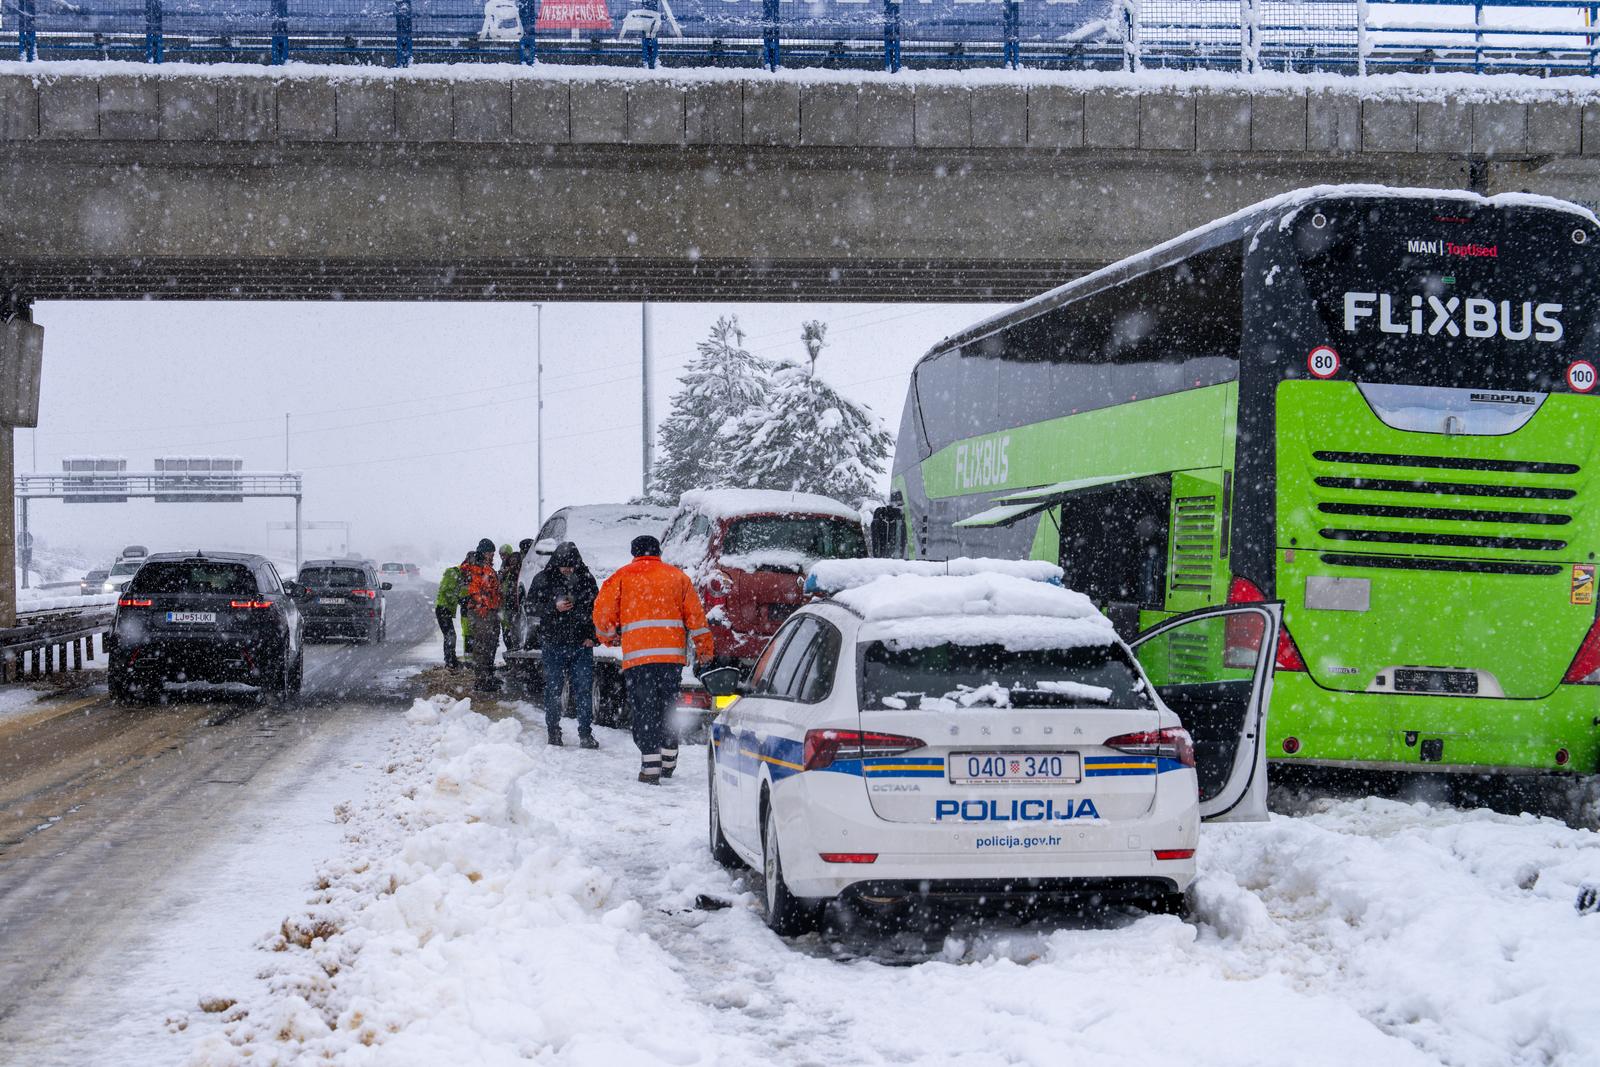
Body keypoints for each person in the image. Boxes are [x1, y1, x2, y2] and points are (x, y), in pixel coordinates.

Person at [593, 534, 713, 785]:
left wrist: (609, 638)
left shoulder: (621, 578)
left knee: (644, 709)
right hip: (671, 660)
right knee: (667, 706)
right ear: (658, 552)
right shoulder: (678, 577)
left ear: (634, 553)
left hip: (639, 660)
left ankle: (650, 767)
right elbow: (697, 619)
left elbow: (603, 615)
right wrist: (704, 649)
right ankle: (669, 758)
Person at [526, 542, 600, 748]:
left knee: (583, 690)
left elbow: (599, 608)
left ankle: (585, 733)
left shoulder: (586, 579)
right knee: (553, 689)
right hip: (553, 643)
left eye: (571, 565)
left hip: (581, 644)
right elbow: (530, 607)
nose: (568, 569)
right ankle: (553, 731)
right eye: (564, 565)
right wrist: (553, 606)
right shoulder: (543, 579)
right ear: (556, 563)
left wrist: (593, 636)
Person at [461, 538, 503, 693]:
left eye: (492, 552)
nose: (493, 555)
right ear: (484, 553)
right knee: (483, 645)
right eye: (490, 552)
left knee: (491, 644)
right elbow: (474, 589)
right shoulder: (477, 567)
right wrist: (482, 604)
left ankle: (488, 676)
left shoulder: (487, 567)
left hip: (490, 610)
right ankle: (482, 680)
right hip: (482, 612)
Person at [434, 558, 468, 669]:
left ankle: (451, 660)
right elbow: (446, 590)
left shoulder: (462, 576)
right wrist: (459, 599)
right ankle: (450, 661)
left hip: (446, 609)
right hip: (443, 608)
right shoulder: (452, 572)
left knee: (450, 635)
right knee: (450, 635)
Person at [498, 543, 525, 652]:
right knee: (507, 634)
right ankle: (511, 660)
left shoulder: (514, 571)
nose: (502, 557)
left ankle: (514, 659)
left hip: (513, 607)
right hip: (505, 607)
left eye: (504, 555)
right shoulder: (504, 570)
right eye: (501, 555)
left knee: (514, 635)